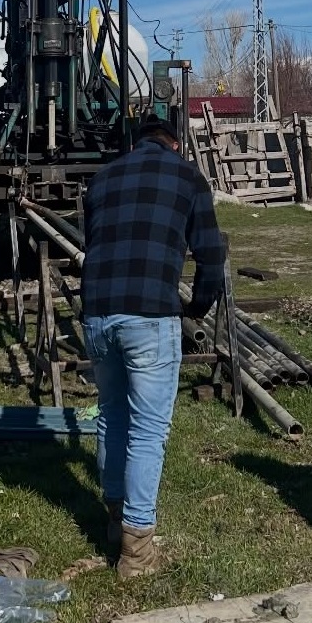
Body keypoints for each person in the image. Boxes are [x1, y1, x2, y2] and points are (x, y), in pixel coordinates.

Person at [81, 113, 225, 578]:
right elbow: (210, 253)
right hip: (149, 315)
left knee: (111, 415)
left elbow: (98, 241)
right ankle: (137, 552)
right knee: (147, 430)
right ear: (175, 143)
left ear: (136, 142)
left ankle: (112, 520)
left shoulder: (102, 178)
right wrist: (198, 307)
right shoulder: (187, 177)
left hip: (98, 313)